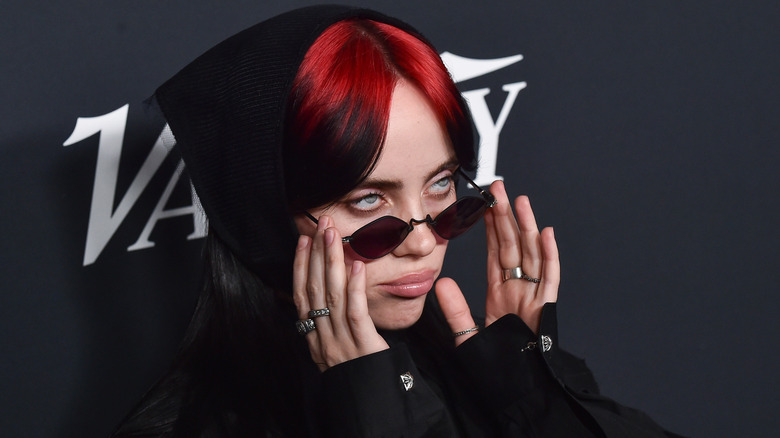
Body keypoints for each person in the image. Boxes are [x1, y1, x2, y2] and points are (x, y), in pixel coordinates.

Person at [113, 5, 682, 437]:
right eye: (367, 202)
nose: (423, 241)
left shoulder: (469, 366)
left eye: (441, 186)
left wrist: (533, 390)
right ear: (263, 215)